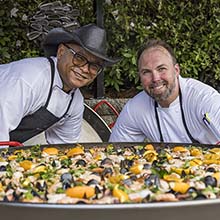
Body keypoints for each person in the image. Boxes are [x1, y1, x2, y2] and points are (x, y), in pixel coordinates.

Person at [0, 23, 119, 144]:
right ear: (61, 52)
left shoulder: (75, 102)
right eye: (79, 58)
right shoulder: (29, 78)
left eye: (94, 66)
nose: (85, 69)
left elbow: (64, 148)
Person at [109, 39, 220, 144]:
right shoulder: (135, 108)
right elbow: (114, 152)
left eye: (161, 69)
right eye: (146, 72)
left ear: (176, 70)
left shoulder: (205, 99)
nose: (155, 78)